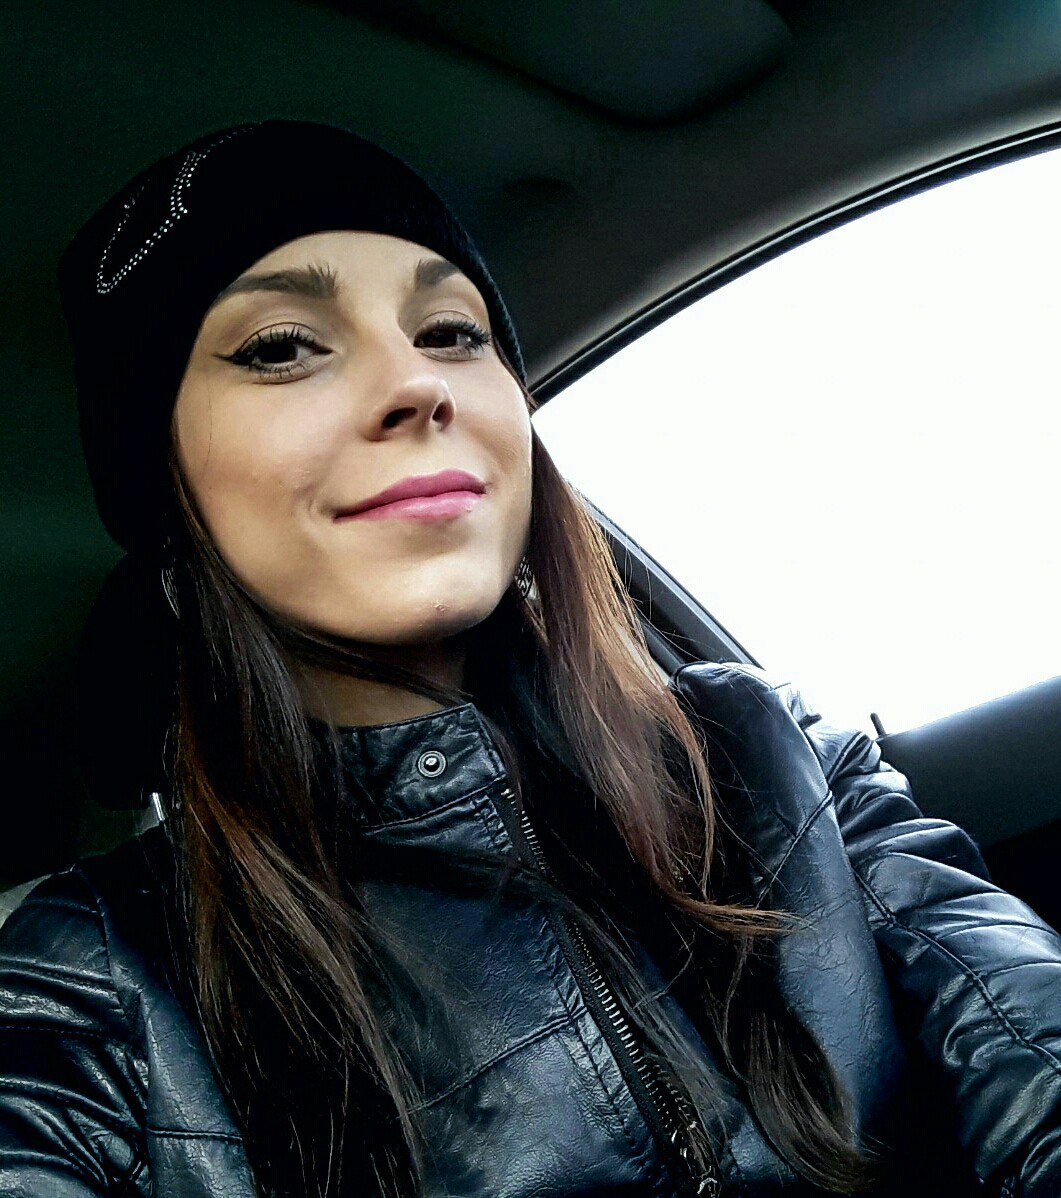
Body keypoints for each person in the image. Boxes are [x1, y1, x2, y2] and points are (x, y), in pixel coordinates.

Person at [0, 119, 1057, 1198]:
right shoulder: (87, 985)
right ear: (163, 483)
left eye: (452, 331)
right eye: (280, 346)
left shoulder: (768, 754)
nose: (418, 383)